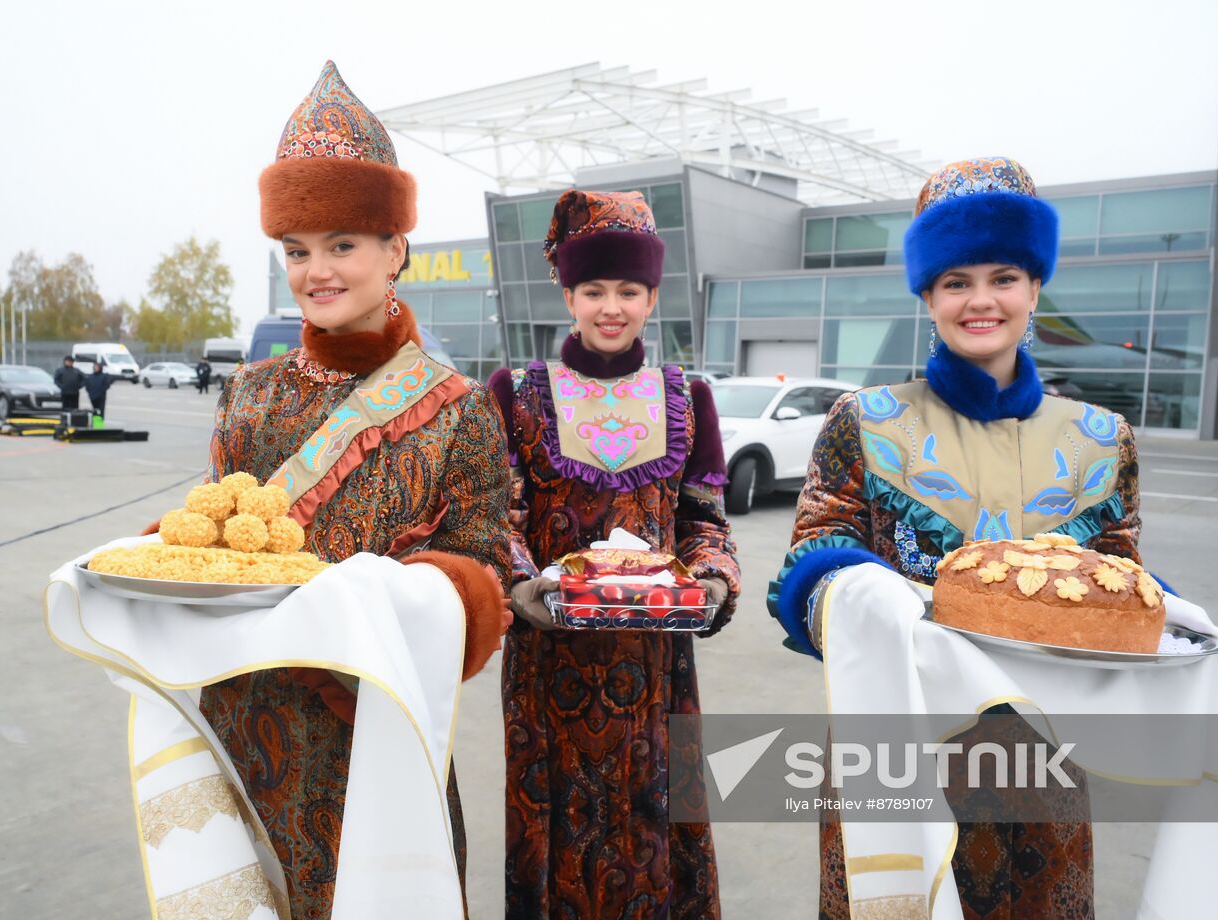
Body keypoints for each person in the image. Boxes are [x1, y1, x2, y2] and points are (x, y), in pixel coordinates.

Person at [769, 158, 1140, 919]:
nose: (981, 301)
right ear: (928, 297)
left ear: (1035, 288)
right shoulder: (867, 422)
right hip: (899, 750)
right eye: (955, 281)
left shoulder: (1100, 438)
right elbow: (811, 559)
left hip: (1046, 754)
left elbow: (1120, 575)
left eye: (1003, 276)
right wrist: (859, 589)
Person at [194, 61, 513, 918]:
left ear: (396, 248)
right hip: (248, 717)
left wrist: (385, 600)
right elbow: (213, 534)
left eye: (342, 245)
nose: (316, 272)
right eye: (297, 251)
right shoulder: (251, 395)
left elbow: (482, 575)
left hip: (376, 734)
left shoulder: (459, 413)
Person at [488, 189, 741, 919]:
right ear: (567, 294)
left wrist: (714, 580)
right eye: (593, 289)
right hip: (548, 667)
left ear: (652, 298)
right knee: (553, 835)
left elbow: (704, 521)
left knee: (652, 833)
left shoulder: (687, 398)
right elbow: (494, 518)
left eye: (628, 291)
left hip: (656, 664)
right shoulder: (519, 394)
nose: (611, 307)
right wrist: (519, 583)